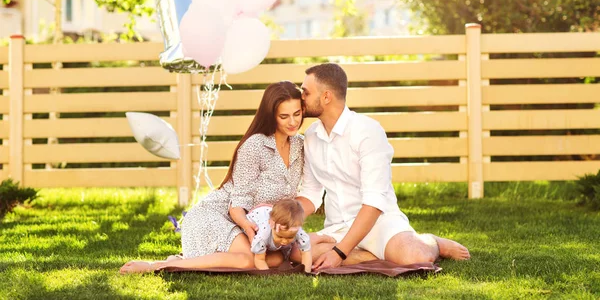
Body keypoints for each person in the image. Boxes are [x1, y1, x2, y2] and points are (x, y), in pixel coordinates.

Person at [294, 63, 470, 271]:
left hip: (379, 223)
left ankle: (433, 242)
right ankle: (371, 256)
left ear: (326, 97)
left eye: (305, 92)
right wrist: (283, 216)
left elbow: (374, 202)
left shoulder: (367, 131)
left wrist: (339, 253)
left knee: (414, 256)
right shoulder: (311, 136)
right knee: (296, 251)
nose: (300, 98)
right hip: (338, 227)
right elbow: (311, 194)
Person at [120, 81, 307, 273]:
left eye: (297, 114)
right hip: (219, 215)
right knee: (246, 261)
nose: (293, 122)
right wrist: (248, 227)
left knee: (275, 259)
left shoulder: (301, 146)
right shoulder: (254, 146)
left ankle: (187, 260)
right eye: (284, 116)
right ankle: (159, 265)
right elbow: (236, 206)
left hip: (260, 228)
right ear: (272, 116)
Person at [248, 198, 312, 273]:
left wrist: (306, 272)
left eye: (290, 237)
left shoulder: (298, 232)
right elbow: (259, 259)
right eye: (280, 236)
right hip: (254, 219)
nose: (284, 241)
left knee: (282, 257)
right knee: (251, 254)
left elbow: (306, 253)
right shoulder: (263, 234)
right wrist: (268, 275)